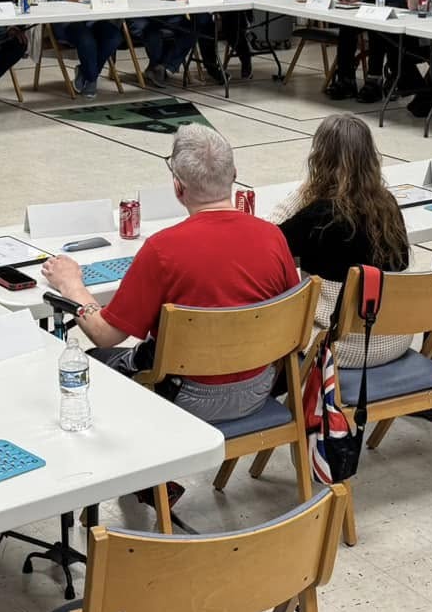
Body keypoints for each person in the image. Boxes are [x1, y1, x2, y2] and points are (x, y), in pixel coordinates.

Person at [41, 125, 298, 428]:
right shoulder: (272, 236)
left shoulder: (162, 249)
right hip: (260, 387)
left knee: (94, 357)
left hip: (184, 397)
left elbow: (105, 334)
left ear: (178, 188)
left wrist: (71, 285)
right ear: (233, 175)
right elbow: (292, 321)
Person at [278, 116, 413, 369]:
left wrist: (303, 192)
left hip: (340, 349)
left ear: (319, 159)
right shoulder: (388, 205)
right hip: (397, 339)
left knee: (272, 313)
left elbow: (269, 242)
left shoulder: (320, 216)